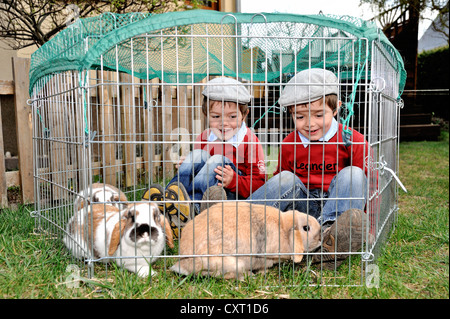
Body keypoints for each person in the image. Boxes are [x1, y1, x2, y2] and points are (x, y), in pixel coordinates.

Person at [248, 68, 371, 269]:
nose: (310, 124)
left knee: (354, 174)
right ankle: (241, 218)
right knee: (285, 177)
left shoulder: (354, 140)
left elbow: (368, 189)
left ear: (336, 108)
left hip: (338, 210)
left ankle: (329, 240)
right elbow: (282, 188)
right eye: (300, 117)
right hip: (303, 211)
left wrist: (370, 228)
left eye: (319, 114)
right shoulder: (289, 143)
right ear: (291, 114)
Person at [142, 77, 266, 238]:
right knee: (196, 155)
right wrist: (187, 165)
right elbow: (198, 172)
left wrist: (233, 180)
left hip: (227, 197)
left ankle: (192, 210)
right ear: (206, 114)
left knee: (216, 159)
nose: (224, 123)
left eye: (232, 117)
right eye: (216, 117)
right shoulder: (204, 137)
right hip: (196, 190)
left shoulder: (250, 141)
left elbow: (260, 183)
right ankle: (168, 201)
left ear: (244, 115)